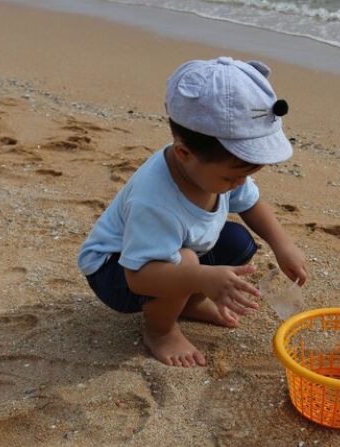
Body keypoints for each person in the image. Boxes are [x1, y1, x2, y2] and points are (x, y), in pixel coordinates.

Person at [77, 57, 308, 368]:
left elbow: (250, 202)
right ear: (184, 153)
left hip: (164, 257)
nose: (239, 183)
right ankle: (160, 330)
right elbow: (138, 278)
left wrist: (283, 245)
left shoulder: (210, 166)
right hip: (116, 272)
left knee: (237, 241)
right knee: (184, 261)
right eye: (231, 177)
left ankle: (188, 303)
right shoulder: (155, 201)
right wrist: (200, 275)